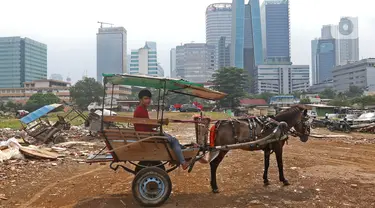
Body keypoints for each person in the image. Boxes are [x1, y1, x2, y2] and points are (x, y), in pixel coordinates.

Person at [134, 89, 193, 170]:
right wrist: (160, 123)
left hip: (147, 134)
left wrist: (158, 124)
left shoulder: (141, 109)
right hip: (148, 135)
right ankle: (183, 162)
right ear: (140, 99)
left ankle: (185, 154)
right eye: (146, 98)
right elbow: (148, 126)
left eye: (149, 98)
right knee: (174, 140)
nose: (148, 100)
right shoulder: (141, 110)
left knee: (171, 139)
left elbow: (147, 125)